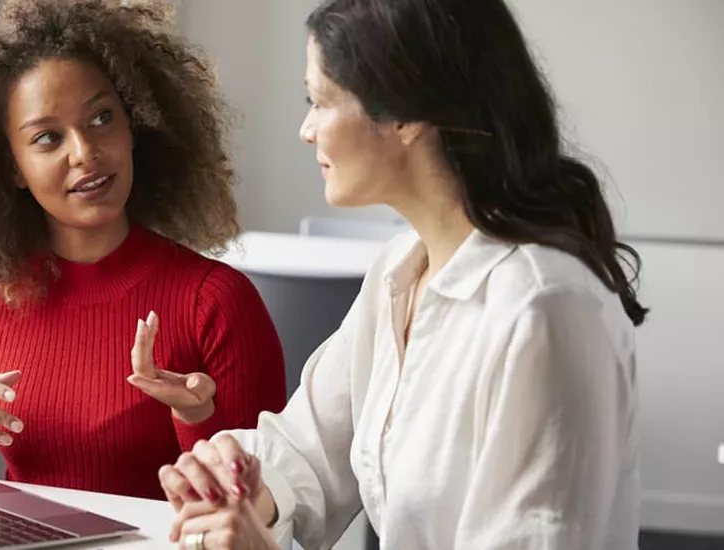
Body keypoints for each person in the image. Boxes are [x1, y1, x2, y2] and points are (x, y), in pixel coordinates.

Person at [157, 0, 648, 548]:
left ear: (405, 116)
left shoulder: (544, 309)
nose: (306, 129)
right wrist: (238, 482)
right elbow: (308, 451)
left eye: (318, 101)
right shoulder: (399, 271)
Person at [0, 0, 287, 501]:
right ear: (11, 169)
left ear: (133, 127)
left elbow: (258, 509)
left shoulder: (217, 301)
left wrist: (195, 417)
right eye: (47, 137)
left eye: (101, 118)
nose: (85, 152)